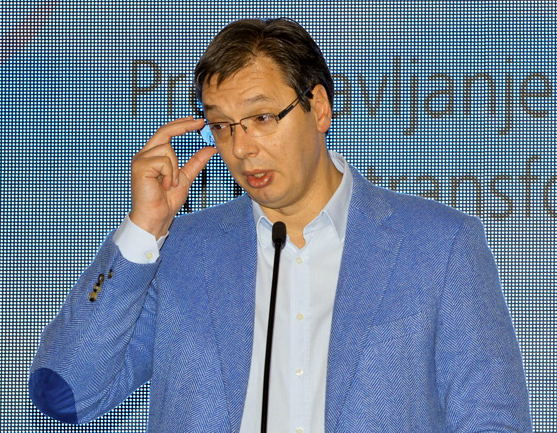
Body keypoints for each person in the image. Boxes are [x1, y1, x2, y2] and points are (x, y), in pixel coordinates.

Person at [29, 18, 532, 432]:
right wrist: (145, 228)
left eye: (263, 117)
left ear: (319, 108)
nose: (241, 147)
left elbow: (495, 421)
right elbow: (66, 395)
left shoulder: (442, 247)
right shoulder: (180, 252)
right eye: (221, 125)